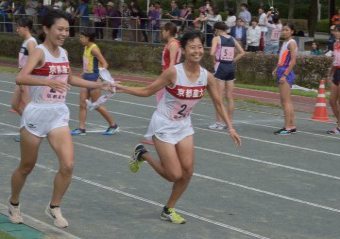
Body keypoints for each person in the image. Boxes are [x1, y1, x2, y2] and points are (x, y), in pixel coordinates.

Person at [115, 30, 241, 224]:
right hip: (164, 125)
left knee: (188, 172)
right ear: (183, 50)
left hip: (183, 126)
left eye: (200, 47)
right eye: (192, 47)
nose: (197, 51)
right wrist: (121, 88)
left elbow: (218, 102)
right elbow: (148, 91)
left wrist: (230, 127)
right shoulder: (174, 72)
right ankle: (142, 153)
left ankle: (169, 209)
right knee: (174, 174)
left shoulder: (206, 76)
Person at [8, 9, 114, 228]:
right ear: (46, 29)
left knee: (68, 165)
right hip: (37, 113)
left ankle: (54, 207)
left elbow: (70, 79)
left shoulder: (64, 53)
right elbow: (21, 77)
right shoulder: (38, 51)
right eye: (60, 29)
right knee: (27, 166)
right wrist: (47, 81)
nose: (65, 33)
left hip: (58, 114)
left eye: (67, 29)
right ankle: (14, 203)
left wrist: (99, 84)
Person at [71, 30, 119, 136]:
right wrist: (83, 73)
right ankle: (81, 128)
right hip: (85, 79)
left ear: (88, 38)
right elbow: (88, 64)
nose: (80, 39)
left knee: (96, 105)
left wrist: (100, 78)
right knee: (82, 104)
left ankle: (113, 125)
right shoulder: (86, 48)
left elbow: (105, 64)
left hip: (94, 80)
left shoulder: (94, 48)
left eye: (82, 37)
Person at [209, 22, 245, 130]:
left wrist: (214, 63)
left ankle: (219, 122)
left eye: (215, 30)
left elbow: (211, 53)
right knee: (229, 97)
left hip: (220, 66)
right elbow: (242, 52)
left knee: (218, 97)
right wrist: (232, 61)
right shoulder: (232, 39)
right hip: (230, 67)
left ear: (217, 29)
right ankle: (229, 122)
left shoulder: (217, 38)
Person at [11, 17, 37, 142]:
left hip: (26, 78)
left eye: (19, 27)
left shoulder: (31, 42)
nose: (17, 29)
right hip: (21, 77)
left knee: (28, 106)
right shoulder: (26, 41)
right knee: (15, 105)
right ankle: (33, 125)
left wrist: (26, 77)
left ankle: (29, 131)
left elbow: (34, 61)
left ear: (26, 28)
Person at [272, 23, 298, 135]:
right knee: (286, 101)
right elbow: (282, 59)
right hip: (281, 70)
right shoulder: (285, 43)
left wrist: (284, 75)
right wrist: (276, 69)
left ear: (292, 31)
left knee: (285, 101)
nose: (284, 32)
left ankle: (287, 127)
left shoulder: (291, 43)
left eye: (287, 30)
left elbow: (293, 61)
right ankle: (291, 125)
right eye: (283, 30)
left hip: (285, 72)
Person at [156, 22, 181, 103]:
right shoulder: (169, 43)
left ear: (168, 31)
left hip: (169, 75)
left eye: (163, 31)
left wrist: (170, 78)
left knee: (164, 100)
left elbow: (172, 63)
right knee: (161, 99)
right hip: (166, 74)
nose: (162, 33)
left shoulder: (173, 44)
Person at [327, 25, 340, 134]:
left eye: (337, 31)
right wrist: (330, 73)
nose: (335, 33)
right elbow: (335, 60)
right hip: (336, 72)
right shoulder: (335, 44)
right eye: (334, 31)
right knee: (332, 101)